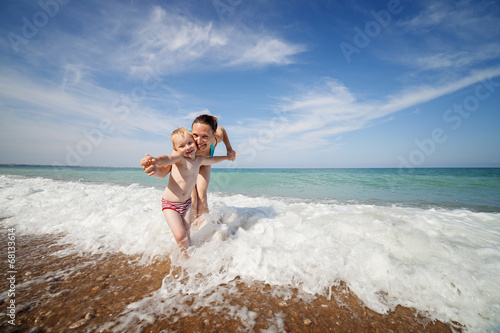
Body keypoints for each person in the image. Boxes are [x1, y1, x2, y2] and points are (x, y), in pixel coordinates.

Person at [141, 127, 235, 252]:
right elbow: (167, 159)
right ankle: (184, 260)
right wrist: (155, 160)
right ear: (176, 150)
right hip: (170, 204)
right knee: (180, 235)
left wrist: (227, 157)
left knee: (187, 232)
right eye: (182, 146)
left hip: (186, 204)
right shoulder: (179, 159)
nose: (187, 147)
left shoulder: (199, 160)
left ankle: (188, 254)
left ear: (194, 143)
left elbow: (213, 159)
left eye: (190, 143)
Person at [141, 115, 237, 222]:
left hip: (204, 163)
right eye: (195, 135)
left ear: (213, 135)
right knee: (193, 199)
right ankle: (190, 231)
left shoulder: (216, 139)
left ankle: (205, 230)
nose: (199, 141)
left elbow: (222, 130)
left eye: (204, 136)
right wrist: (153, 170)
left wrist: (229, 149)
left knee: (202, 197)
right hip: (187, 168)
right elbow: (163, 172)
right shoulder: (186, 147)